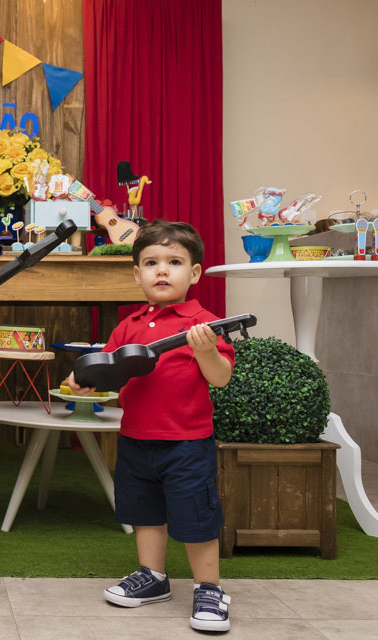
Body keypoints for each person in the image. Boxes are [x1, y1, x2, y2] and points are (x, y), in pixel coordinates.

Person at [66, 220, 235, 632]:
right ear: (136, 273)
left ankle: (209, 588)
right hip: (137, 440)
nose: (162, 271)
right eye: (151, 262)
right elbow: (105, 368)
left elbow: (221, 377)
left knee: (196, 518)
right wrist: (83, 378)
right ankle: (153, 577)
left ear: (193, 273)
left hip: (187, 443)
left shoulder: (203, 324)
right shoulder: (129, 326)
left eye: (174, 262)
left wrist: (206, 351)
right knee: (145, 514)